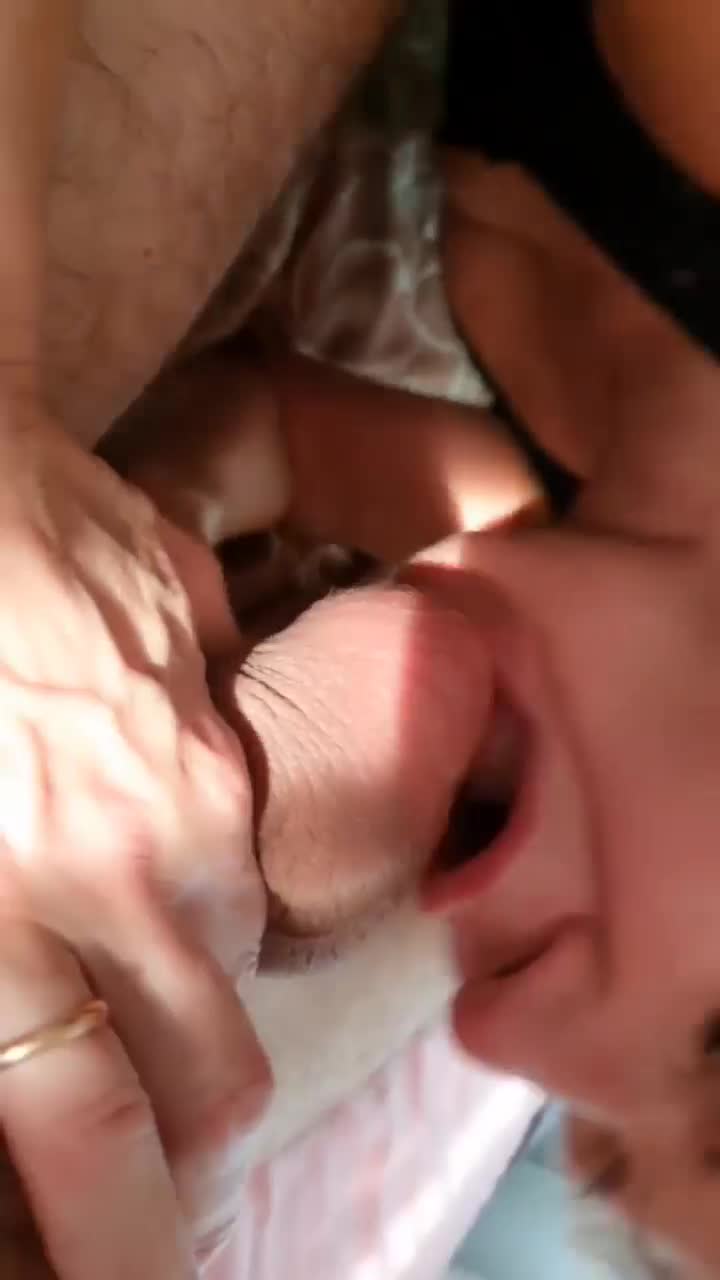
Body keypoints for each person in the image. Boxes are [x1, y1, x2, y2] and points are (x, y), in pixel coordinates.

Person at [2, 1, 720, 1278]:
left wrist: (166, 524)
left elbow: (268, 428)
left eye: (602, 1149)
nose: (493, 1040)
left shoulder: (575, 516)